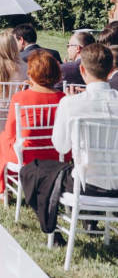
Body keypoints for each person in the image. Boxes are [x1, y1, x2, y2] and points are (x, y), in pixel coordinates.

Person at [21, 44, 118, 240]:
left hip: (84, 185)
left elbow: (61, 146)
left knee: (30, 171)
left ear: (82, 69)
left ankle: (53, 230)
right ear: (111, 70)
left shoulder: (71, 102)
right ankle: (90, 221)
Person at [0, 51, 67, 197]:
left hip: (28, 155)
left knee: (3, 138)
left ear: (31, 74)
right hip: (58, 154)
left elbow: (10, 131)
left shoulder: (20, 97)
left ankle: (5, 189)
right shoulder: (63, 98)